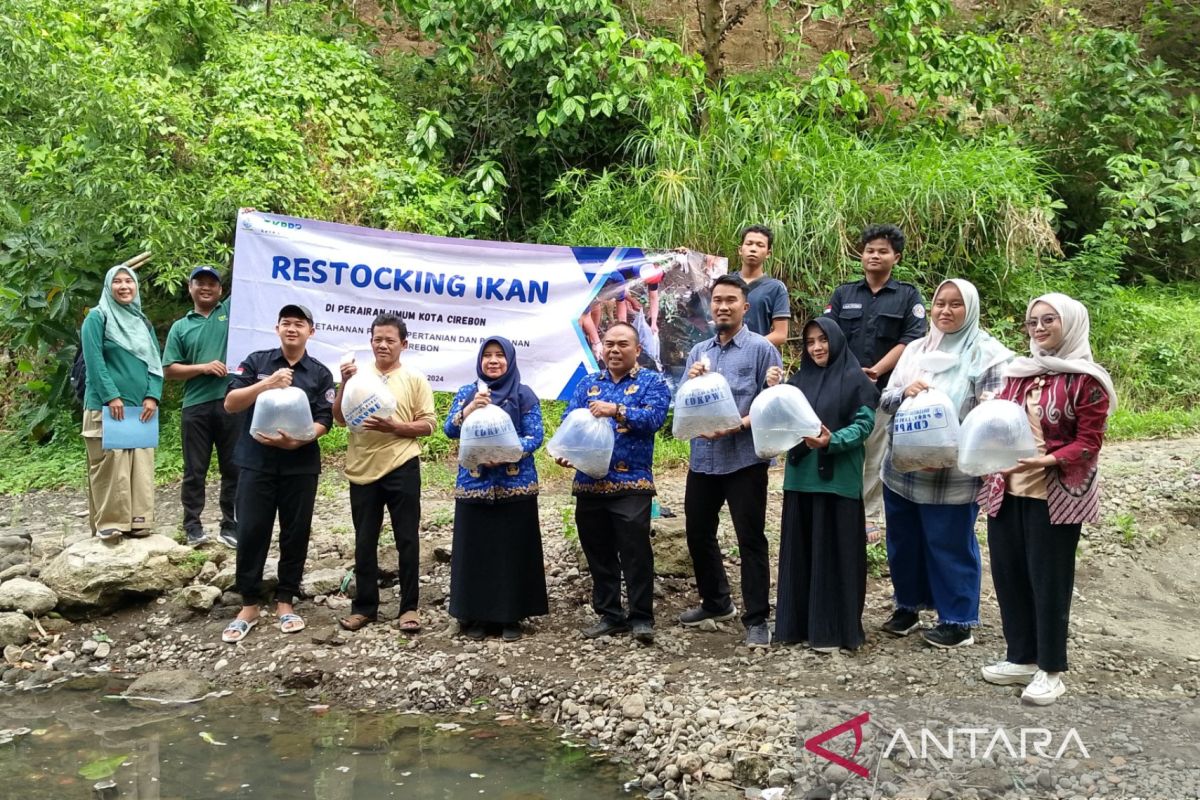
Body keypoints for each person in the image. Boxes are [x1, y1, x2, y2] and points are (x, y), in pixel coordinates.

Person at [979, 294, 1115, 705]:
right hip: (1008, 489)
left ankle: (1051, 668)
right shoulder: (1018, 374)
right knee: (1009, 574)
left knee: (1049, 581)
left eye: (1048, 320)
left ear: (1070, 324)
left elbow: (1089, 443)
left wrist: (1048, 459)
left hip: (1055, 496)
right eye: (1032, 322)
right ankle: (1020, 656)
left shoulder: (1087, 380)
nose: (1038, 328)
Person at [878, 279, 1012, 648]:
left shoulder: (989, 355)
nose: (946, 311)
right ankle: (908, 606)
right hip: (903, 468)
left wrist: (952, 444)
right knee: (903, 540)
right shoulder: (917, 350)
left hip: (951, 473)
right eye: (940, 303)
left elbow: (994, 420)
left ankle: (957, 618)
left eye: (956, 305)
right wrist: (904, 392)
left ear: (971, 309)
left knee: (949, 541)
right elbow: (886, 398)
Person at [679, 274, 784, 648]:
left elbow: (771, 402)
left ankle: (757, 618)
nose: (722, 306)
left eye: (730, 300)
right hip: (703, 460)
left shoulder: (761, 350)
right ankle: (716, 602)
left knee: (750, 538)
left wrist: (737, 425)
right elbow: (684, 405)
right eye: (717, 300)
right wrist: (691, 382)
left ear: (745, 307)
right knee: (698, 533)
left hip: (744, 459)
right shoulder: (698, 353)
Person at [220, 304, 333, 643]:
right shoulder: (257, 362)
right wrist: (266, 384)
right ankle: (250, 603)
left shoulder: (320, 373)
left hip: (300, 464)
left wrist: (299, 440)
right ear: (277, 328)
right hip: (256, 462)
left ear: (310, 331)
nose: (292, 329)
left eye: (299, 324)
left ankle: (286, 600)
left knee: (295, 532)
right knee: (252, 529)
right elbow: (230, 403)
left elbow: (325, 418)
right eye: (286, 323)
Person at [766, 318, 879, 652]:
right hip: (800, 479)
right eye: (810, 341)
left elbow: (864, 426)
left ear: (837, 341)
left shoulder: (856, 380)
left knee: (836, 555)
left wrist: (832, 441)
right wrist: (774, 392)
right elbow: (779, 423)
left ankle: (834, 631)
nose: (816, 347)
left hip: (837, 482)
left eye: (823, 340)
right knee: (800, 555)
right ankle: (796, 627)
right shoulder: (798, 382)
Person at [557, 322, 670, 644]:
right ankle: (609, 615)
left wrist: (617, 410)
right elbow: (570, 422)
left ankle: (642, 618)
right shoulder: (588, 384)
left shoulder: (652, 382)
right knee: (598, 552)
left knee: (635, 551)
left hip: (632, 483)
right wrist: (566, 453)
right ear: (601, 348)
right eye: (609, 344)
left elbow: (654, 420)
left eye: (622, 344)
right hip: (589, 483)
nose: (614, 350)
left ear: (637, 350)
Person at [333, 314, 437, 634]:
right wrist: (344, 383)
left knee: (406, 538)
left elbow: (429, 424)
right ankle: (365, 607)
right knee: (365, 540)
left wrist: (397, 427)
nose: (383, 345)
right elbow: (338, 419)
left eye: (390, 340)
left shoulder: (415, 378)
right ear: (370, 342)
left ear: (403, 344)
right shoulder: (358, 377)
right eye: (378, 339)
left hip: (402, 463)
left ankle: (409, 608)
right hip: (362, 467)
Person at [825, 224, 926, 539]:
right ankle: (837, 509)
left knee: (873, 451)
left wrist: (876, 370)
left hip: (885, 389)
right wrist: (851, 375)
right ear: (861, 254)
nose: (875, 255)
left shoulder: (908, 296)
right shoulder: (844, 293)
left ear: (896, 257)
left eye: (883, 251)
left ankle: (867, 516)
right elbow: (829, 335)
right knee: (840, 446)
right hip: (844, 388)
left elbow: (911, 339)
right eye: (870, 250)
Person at [444, 337, 548, 641]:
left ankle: (511, 617)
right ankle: (475, 615)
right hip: (474, 485)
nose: (493, 361)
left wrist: (506, 452)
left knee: (512, 551)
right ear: (479, 361)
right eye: (487, 356)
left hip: (515, 485)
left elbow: (535, 436)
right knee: (476, 551)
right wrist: (468, 410)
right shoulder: (467, 392)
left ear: (510, 360)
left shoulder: (523, 394)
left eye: (499, 356)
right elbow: (450, 430)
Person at [80, 265, 163, 540]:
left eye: (129, 281)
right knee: (110, 464)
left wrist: (153, 396)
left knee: (140, 463)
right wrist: (111, 395)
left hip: (141, 409)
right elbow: (94, 361)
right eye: (117, 281)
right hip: (106, 407)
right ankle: (110, 523)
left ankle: (139, 520)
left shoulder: (142, 321)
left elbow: (155, 363)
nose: (124, 286)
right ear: (108, 286)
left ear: (136, 286)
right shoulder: (97, 317)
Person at [162, 266, 238, 547]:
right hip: (195, 406)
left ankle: (231, 525)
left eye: (212, 284)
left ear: (220, 290)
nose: (206, 288)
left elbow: (249, 268)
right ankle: (192, 525)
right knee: (195, 469)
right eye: (200, 283)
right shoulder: (181, 326)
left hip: (231, 402)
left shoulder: (230, 313)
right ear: (190, 288)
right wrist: (203, 367)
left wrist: (251, 224)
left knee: (234, 467)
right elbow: (169, 369)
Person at [735, 225, 790, 348]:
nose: (753, 249)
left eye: (760, 245)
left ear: (768, 253)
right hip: (722, 357)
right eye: (749, 243)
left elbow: (780, 334)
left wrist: (747, 347)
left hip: (757, 358)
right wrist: (683, 257)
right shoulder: (726, 282)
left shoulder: (776, 288)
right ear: (740, 249)